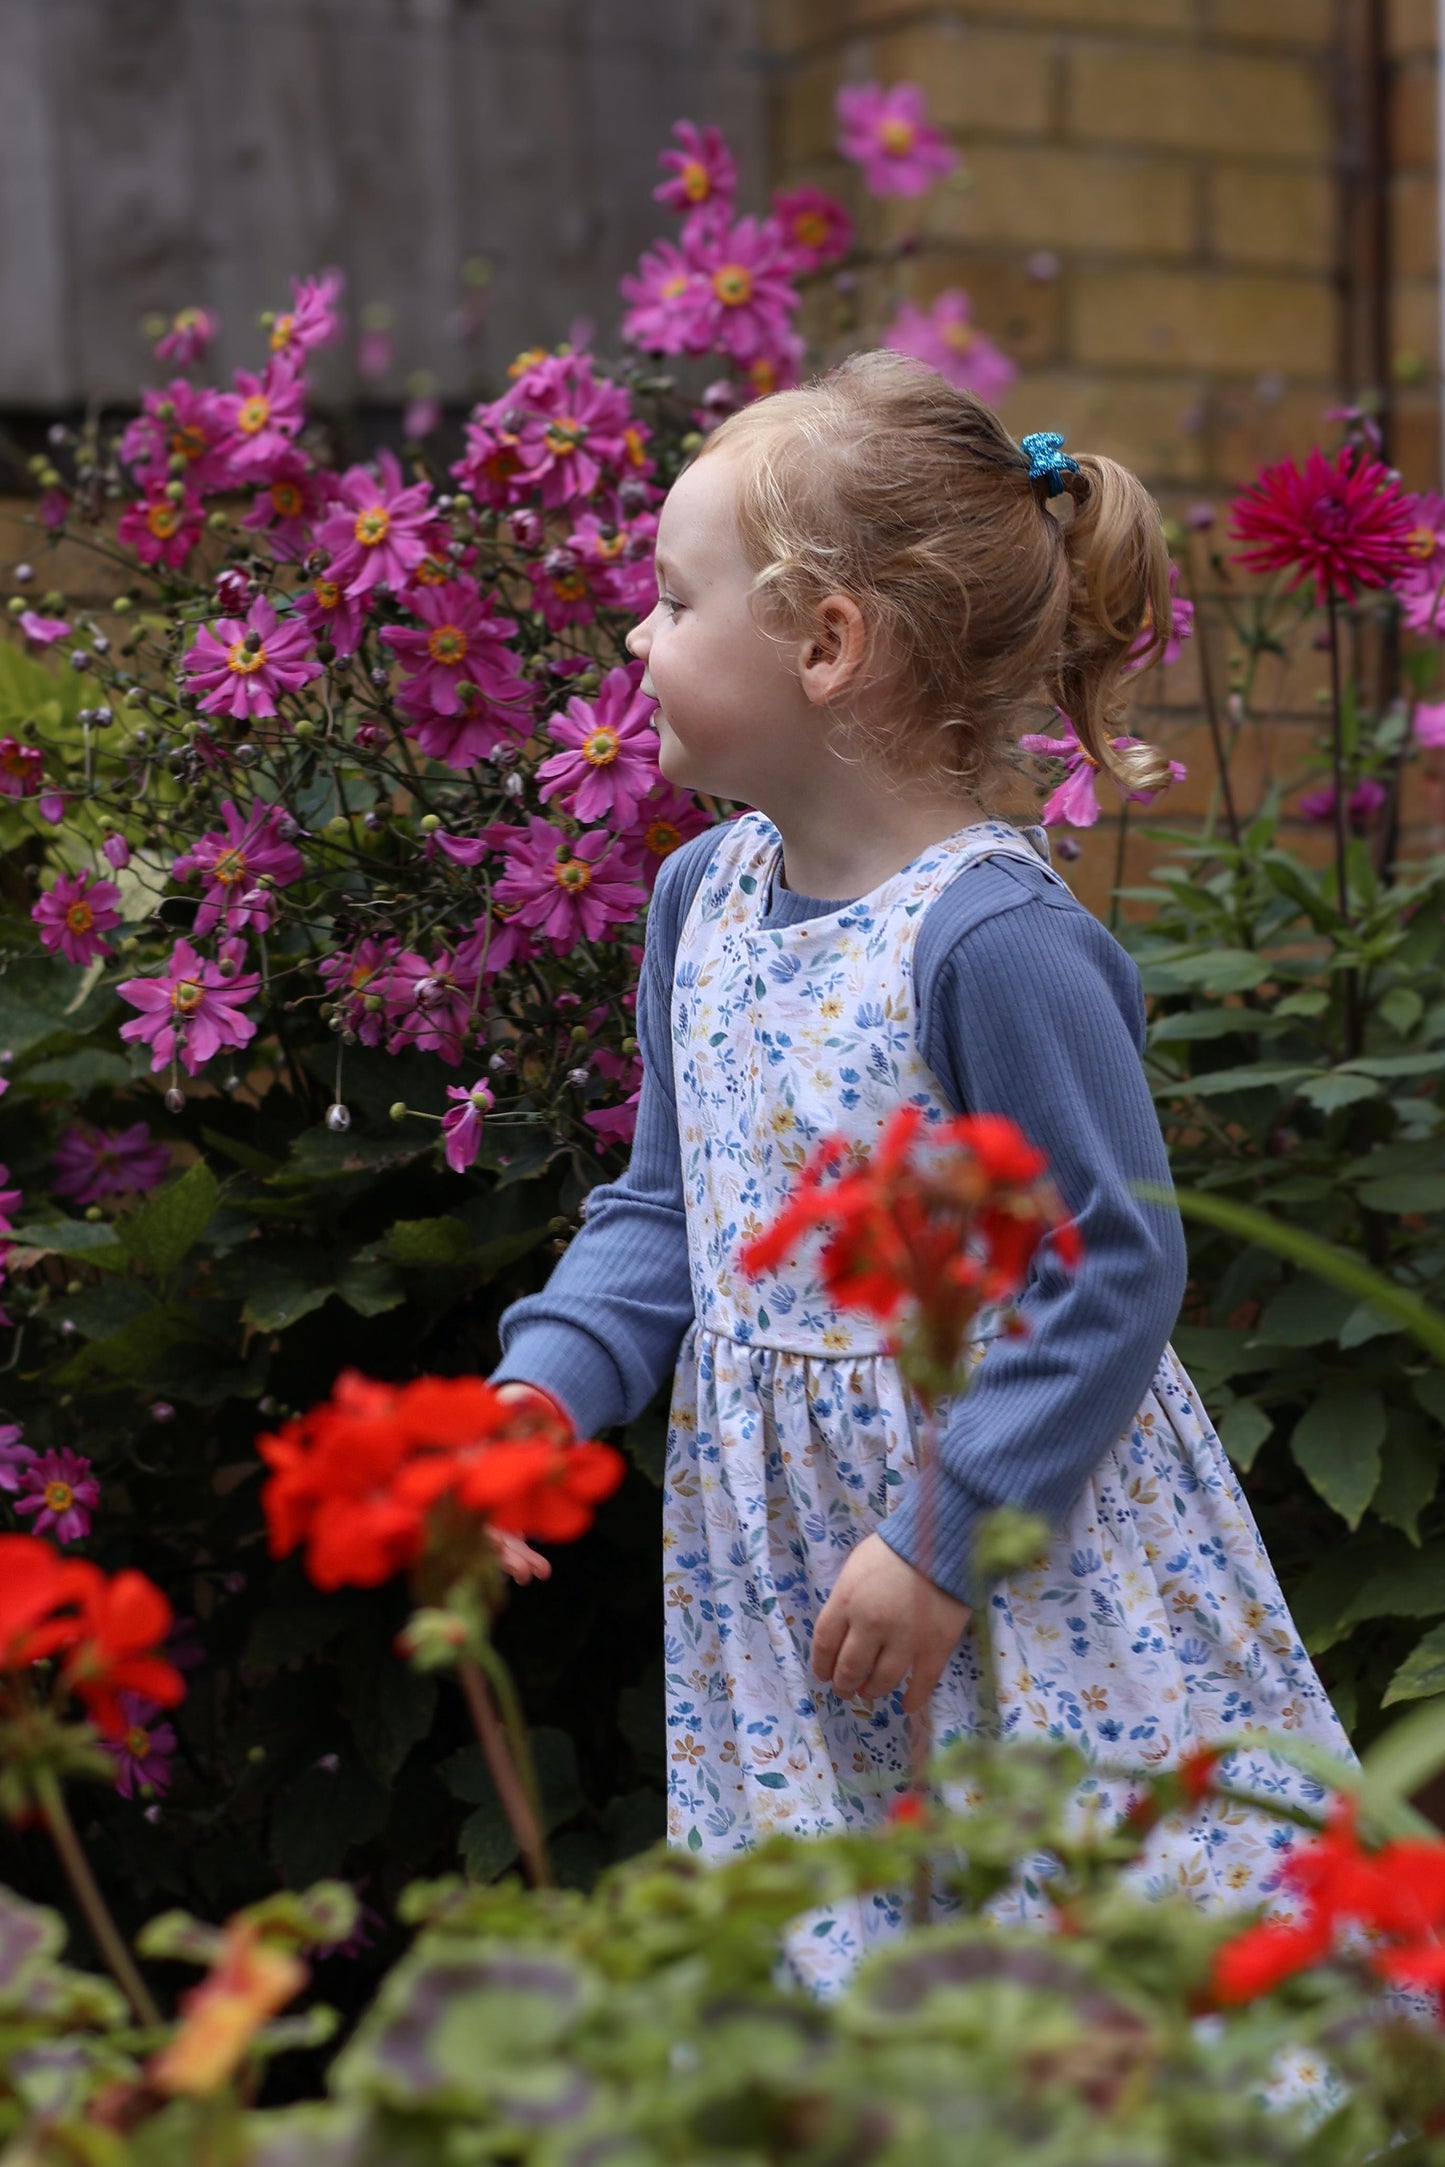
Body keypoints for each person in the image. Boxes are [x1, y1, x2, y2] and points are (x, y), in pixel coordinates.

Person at [488, 349, 1355, 1998]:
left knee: (1078, 1945)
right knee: (840, 1960)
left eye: (672, 603)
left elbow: (1113, 1265)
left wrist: (946, 1532)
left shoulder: (995, 942)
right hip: (783, 1574)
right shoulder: (701, 902)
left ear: (825, 644)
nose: (635, 639)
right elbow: (670, 1216)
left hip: (1014, 1569)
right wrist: (541, 1397)